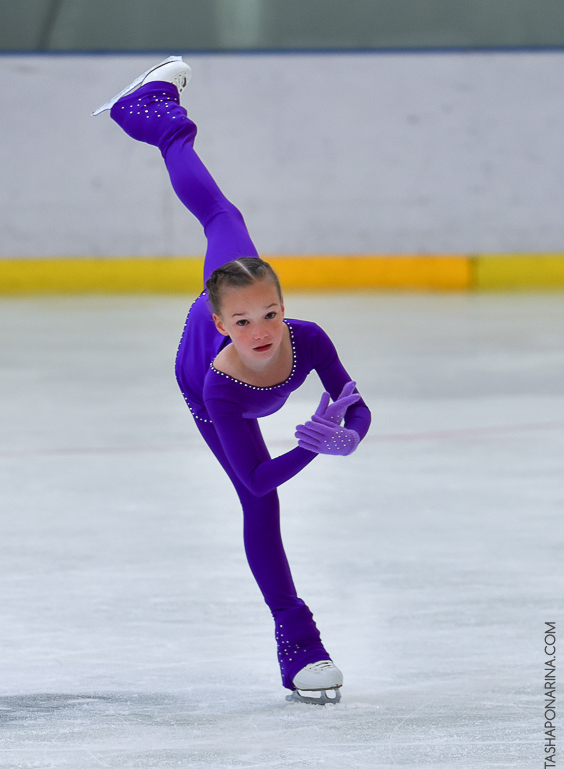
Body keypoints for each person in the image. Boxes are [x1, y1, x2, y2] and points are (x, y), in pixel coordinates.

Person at [94, 57, 371, 704]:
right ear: (220, 320)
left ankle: (153, 115)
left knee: (222, 215)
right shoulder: (219, 385)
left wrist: (348, 435)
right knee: (260, 506)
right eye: (244, 321)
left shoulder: (308, 337)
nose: (262, 330)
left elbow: (355, 404)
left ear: (282, 302)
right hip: (198, 385)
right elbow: (257, 477)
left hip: (235, 295)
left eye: (271, 313)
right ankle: (298, 644)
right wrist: (310, 444)